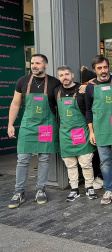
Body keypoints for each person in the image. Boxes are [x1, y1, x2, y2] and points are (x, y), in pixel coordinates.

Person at [8, 54, 60, 208]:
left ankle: (40, 189)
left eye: (38, 63)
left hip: (46, 125)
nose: (34, 65)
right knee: (22, 159)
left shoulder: (54, 82)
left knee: (44, 159)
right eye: (32, 63)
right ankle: (19, 192)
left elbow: (65, 99)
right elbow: (15, 104)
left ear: (46, 65)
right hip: (28, 126)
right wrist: (10, 124)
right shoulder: (22, 81)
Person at [85, 55, 112, 205]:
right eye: (99, 68)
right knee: (104, 161)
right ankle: (109, 189)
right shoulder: (90, 87)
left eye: (105, 67)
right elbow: (88, 111)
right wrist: (91, 131)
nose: (103, 71)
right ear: (94, 70)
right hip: (100, 128)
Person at [54, 65, 97, 202]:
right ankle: (74, 189)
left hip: (82, 132)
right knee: (70, 164)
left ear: (72, 75)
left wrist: (88, 83)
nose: (64, 77)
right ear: (58, 77)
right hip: (65, 133)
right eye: (61, 75)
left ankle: (90, 187)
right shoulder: (56, 91)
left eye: (67, 74)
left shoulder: (82, 89)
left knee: (86, 163)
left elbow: (98, 84)